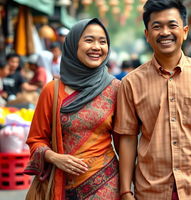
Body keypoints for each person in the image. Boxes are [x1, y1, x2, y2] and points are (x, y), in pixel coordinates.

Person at [114, 0, 191, 200]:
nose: (165, 32)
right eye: (157, 26)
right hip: (151, 190)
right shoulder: (131, 82)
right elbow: (127, 138)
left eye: (172, 25)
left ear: (185, 31)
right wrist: (126, 190)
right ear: (147, 34)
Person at [24, 18, 120, 199]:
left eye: (103, 41)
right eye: (89, 40)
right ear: (72, 45)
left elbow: (126, 141)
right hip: (61, 187)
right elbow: (36, 140)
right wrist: (54, 157)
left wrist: (128, 189)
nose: (97, 47)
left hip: (107, 186)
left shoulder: (116, 88)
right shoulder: (51, 90)